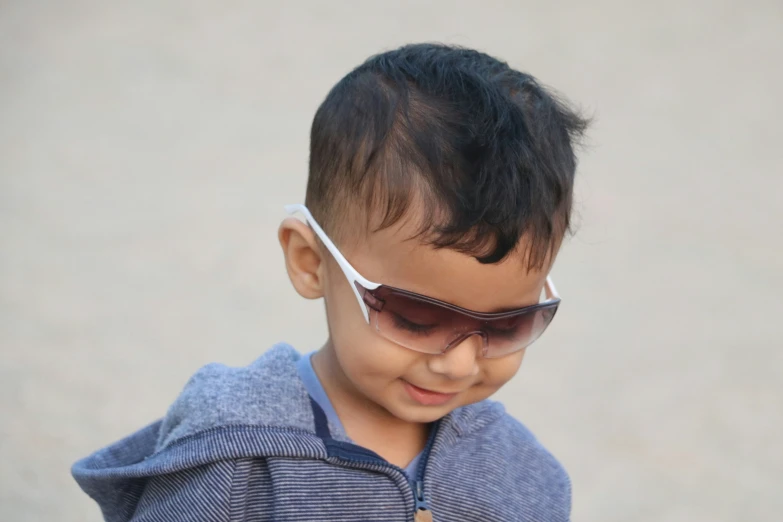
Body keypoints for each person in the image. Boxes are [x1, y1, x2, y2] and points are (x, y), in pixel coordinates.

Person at [73, 43, 588, 522]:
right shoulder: (233, 461)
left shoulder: (523, 479)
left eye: (507, 324)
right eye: (419, 317)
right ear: (310, 261)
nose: (459, 363)